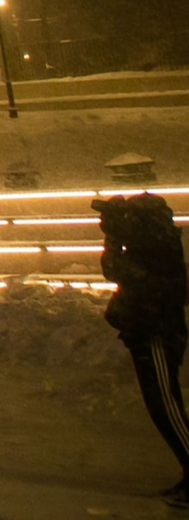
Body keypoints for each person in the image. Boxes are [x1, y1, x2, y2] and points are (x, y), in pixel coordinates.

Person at [99, 193, 189, 505]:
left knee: (167, 407)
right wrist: (115, 232)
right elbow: (115, 268)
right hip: (148, 330)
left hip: (156, 332)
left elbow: (116, 268)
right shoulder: (154, 241)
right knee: (161, 407)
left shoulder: (159, 245)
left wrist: (113, 233)